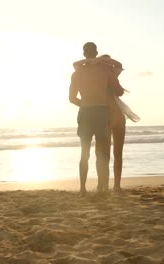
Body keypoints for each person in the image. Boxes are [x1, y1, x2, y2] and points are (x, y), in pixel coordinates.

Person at [69, 42, 124, 195]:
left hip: (85, 112)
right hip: (101, 112)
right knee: (102, 153)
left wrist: (85, 104)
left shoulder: (77, 73)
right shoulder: (105, 70)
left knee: (84, 153)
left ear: (83, 53)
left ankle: (82, 189)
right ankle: (103, 189)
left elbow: (72, 98)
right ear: (97, 52)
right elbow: (119, 92)